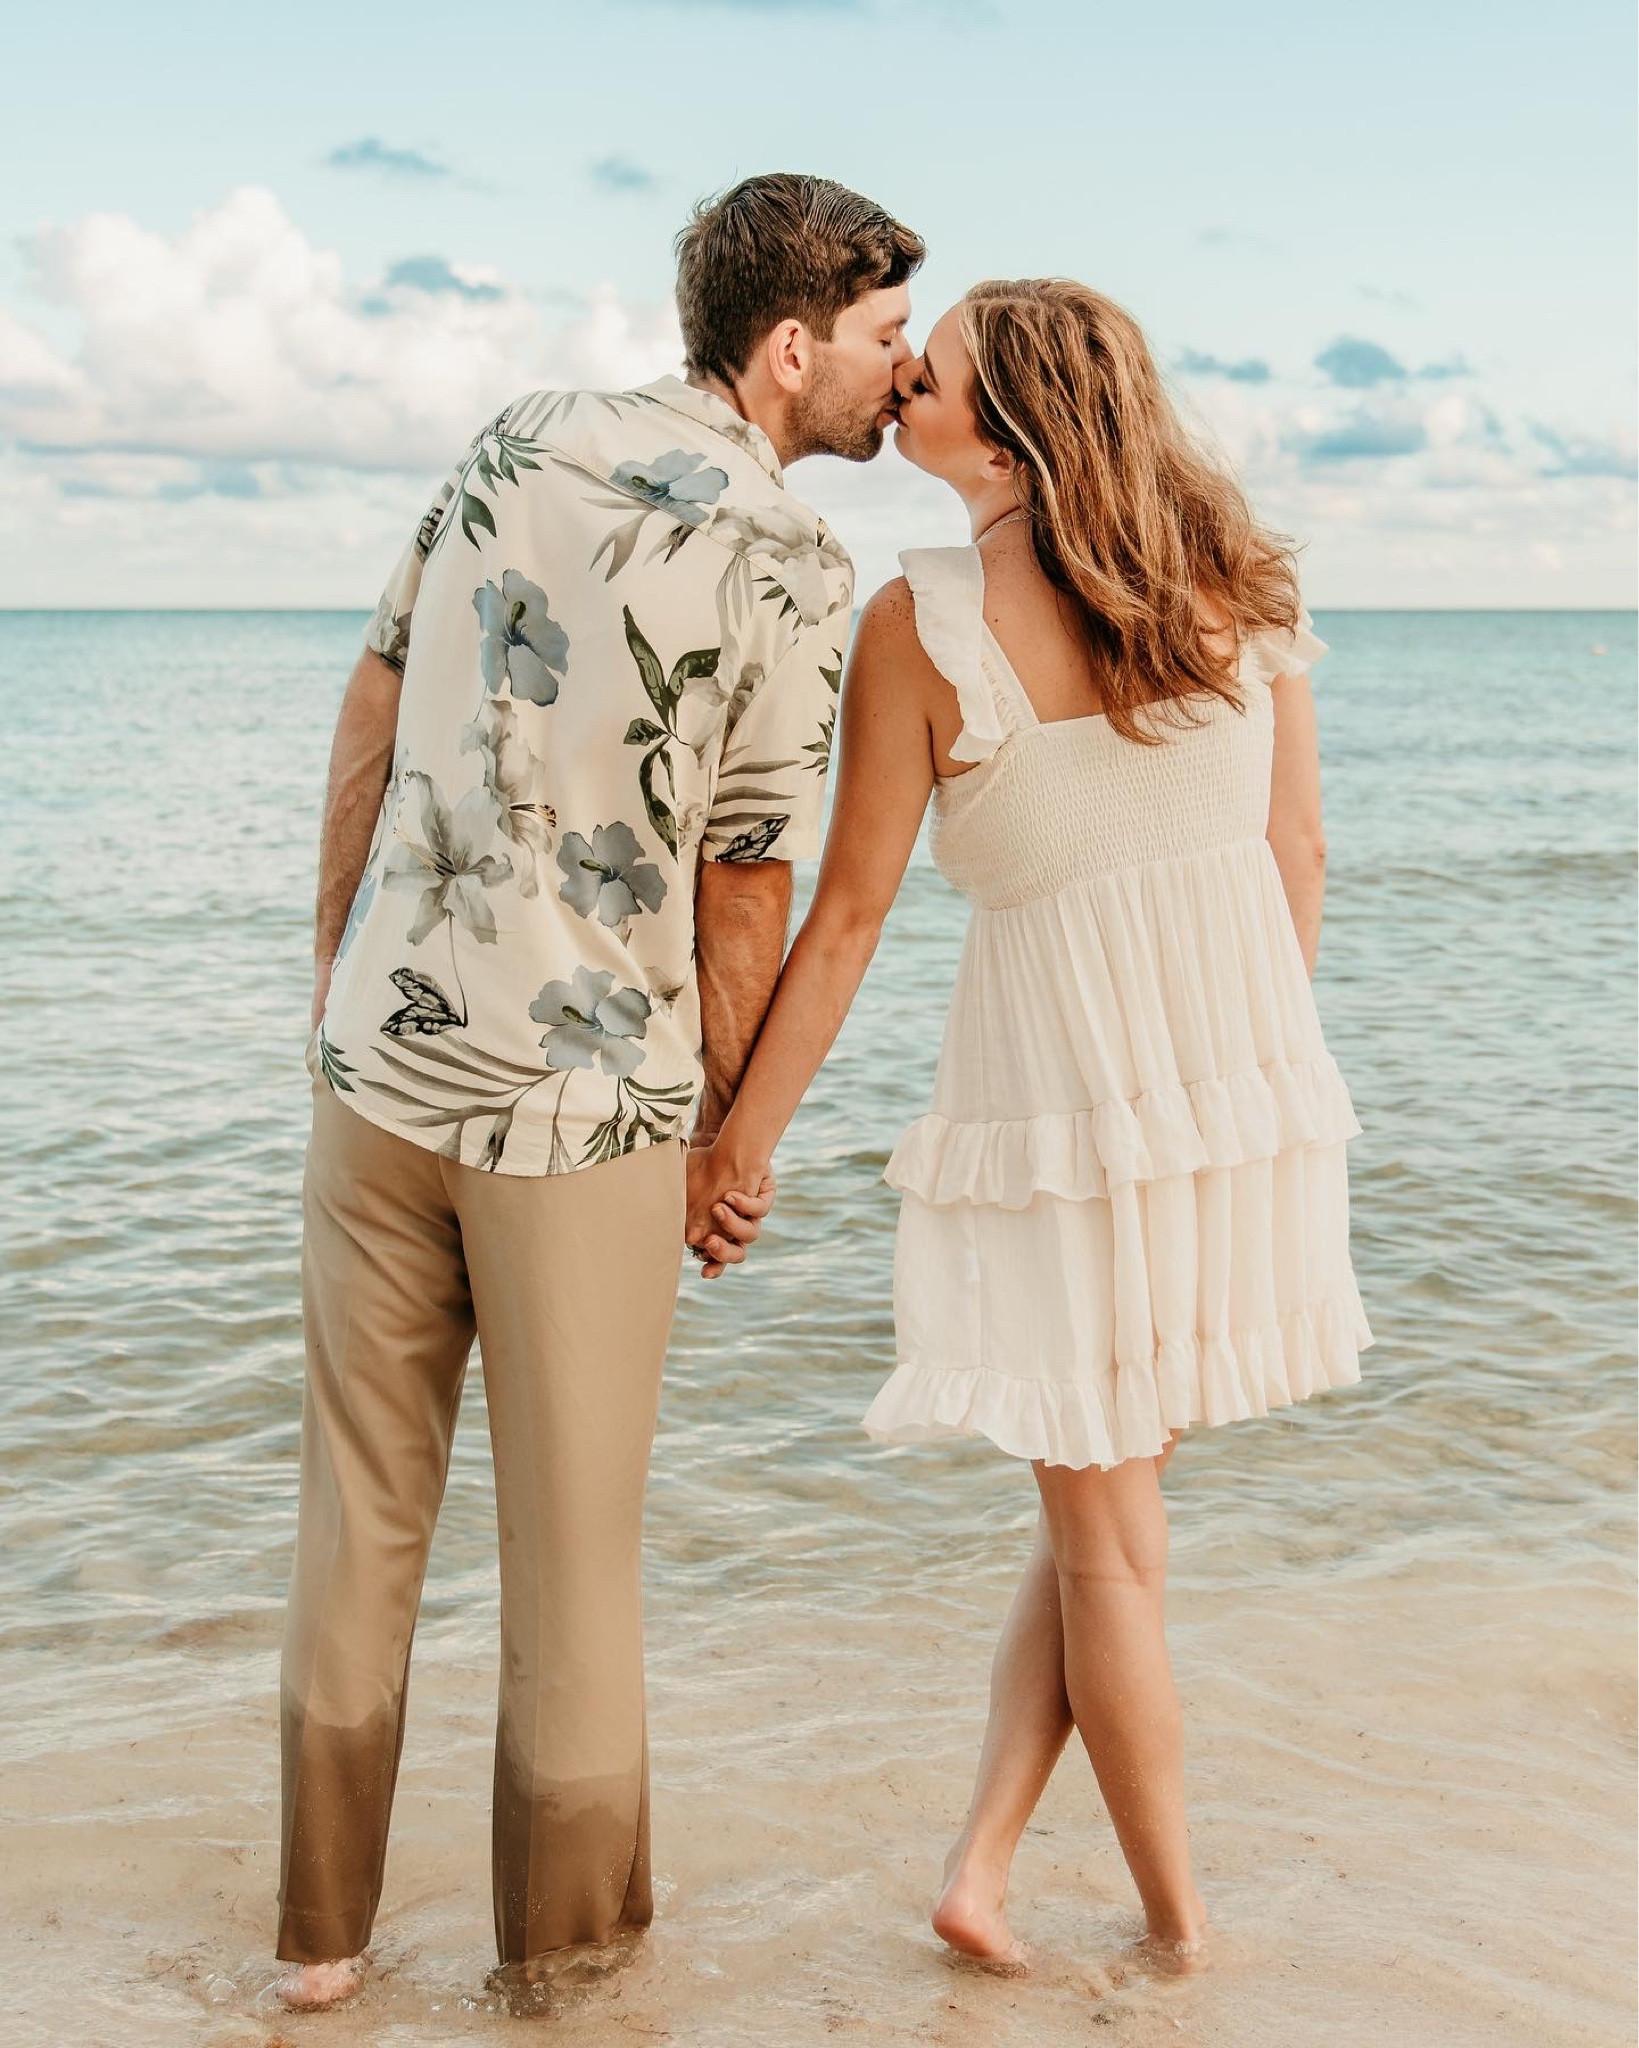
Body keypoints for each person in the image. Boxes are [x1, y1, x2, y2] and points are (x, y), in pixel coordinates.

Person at [276, 173, 922, 2012]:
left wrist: (340, 961)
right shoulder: (798, 562)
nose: (904, 373)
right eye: (882, 341)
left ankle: (316, 1957)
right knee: (574, 1573)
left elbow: (375, 694)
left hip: (380, 1069)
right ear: (789, 346)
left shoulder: (521, 431)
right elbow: (743, 886)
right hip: (583, 1122)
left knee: (355, 1519)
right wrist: (725, 1139)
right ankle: (558, 1985)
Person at [685, 278, 1373, 1971]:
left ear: (1008, 427)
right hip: (1236, 1095)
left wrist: (736, 1148)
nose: (904, 376)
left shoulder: (920, 629)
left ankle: (1173, 1934)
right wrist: (1241, 1096)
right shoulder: (1235, 586)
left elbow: (845, 923)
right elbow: (1299, 860)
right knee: (1101, 1523)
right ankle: (984, 1871)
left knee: (1106, 1542)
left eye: (938, 367)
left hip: (1062, 1109)